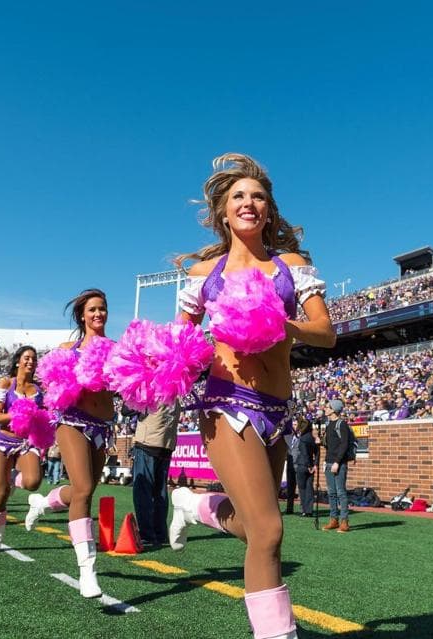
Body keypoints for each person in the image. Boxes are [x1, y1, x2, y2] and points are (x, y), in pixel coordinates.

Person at [168, 153, 334, 639]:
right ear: (223, 211)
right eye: (239, 195)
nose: (249, 202)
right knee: (268, 532)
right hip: (225, 402)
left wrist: (286, 325)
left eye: (258, 196)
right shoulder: (204, 275)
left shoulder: (292, 267)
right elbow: (183, 343)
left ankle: (194, 507)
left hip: (277, 411)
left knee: (254, 523)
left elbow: (326, 333)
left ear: (269, 211)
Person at [23, 289, 115, 599]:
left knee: (80, 489)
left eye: (102, 309)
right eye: (92, 310)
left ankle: (43, 502)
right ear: (82, 316)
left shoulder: (116, 349)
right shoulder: (67, 350)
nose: (98, 314)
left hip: (103, 426)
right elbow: (51, 387)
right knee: (85, 489)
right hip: (72, 421)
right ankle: (87, 570)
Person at [0, 346, 45, 554]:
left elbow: (41, 417)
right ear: (18, 361)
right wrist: (21, 413)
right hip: (3, 441)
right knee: (1, 492)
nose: (30, 361)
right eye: (26, 358)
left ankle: (17, 482)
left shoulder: (38, 390)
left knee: (33, 482)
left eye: (34, 358)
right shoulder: (6, 383)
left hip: (26, 443)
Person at [131, 401, 180, 546]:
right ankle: (160, 533)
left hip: (149, 441)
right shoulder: (176, 389)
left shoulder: (151, 386)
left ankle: (147, 534)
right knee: (160, 492)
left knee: (143, 490)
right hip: (166, 443)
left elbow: (127, 409)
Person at [322, 399, 351, 532]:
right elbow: (329, 446)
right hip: (328, 462)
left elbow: (344, 445)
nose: (325, 409)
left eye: (327, 407)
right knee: (331, 493)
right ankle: (333, 519)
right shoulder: (328, 425)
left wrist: (337, 462)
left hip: (338, 463)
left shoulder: (342, 424)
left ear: (334, 409)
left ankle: (344, 521)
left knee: (341, 492)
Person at [291, 417, 318, 517]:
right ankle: (309, 510)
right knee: (309, 488)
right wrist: (315, 464)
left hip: (303, 465)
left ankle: (304, 510)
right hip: (310, 465)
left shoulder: (302, 439)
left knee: (302, 488)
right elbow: (317, 452)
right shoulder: (312, 438)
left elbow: (304, 453)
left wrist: (309, 465)